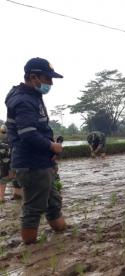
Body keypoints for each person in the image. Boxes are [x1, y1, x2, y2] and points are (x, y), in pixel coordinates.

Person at [5, 57, 66, 244]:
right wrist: (51, 146)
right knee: (33, 208)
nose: (51, 83)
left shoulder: (32, 97)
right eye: (47, 78)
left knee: (53, 203)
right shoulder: (23, 100)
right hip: (32, 164)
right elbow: (28, 134)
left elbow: (36, 130)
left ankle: (62, 234)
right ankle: (30, 252)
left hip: (42, 162)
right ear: (33, 77)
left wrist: (49, 147)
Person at [0, 124, 22, 202]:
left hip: (6, 164)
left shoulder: (4, 141)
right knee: (17, 179)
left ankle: (2, 198)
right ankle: (17, 197)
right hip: (15, 163)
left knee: (3, 180)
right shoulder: (16, 140)